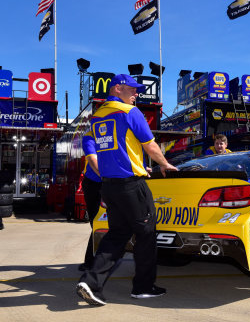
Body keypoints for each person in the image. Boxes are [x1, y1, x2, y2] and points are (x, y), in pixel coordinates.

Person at [76, 74, 178, 306]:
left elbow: (105, 150)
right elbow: (150, 145)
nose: (136, 94)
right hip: (131, 184)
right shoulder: (131, 112)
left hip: (109, 185)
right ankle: (143, 287)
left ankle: (90, 282)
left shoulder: (97, 117)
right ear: (118, 88)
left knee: (118, 234)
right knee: (146, 233)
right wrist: (164, 163)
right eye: (133, 89)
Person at [78, 130, 102, 271]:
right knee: (96, 222)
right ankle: (91, 261)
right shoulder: (90, 135)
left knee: (100, 223)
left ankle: (91, 261)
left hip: (106, 181)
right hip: (95, 182)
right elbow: (93, 161)